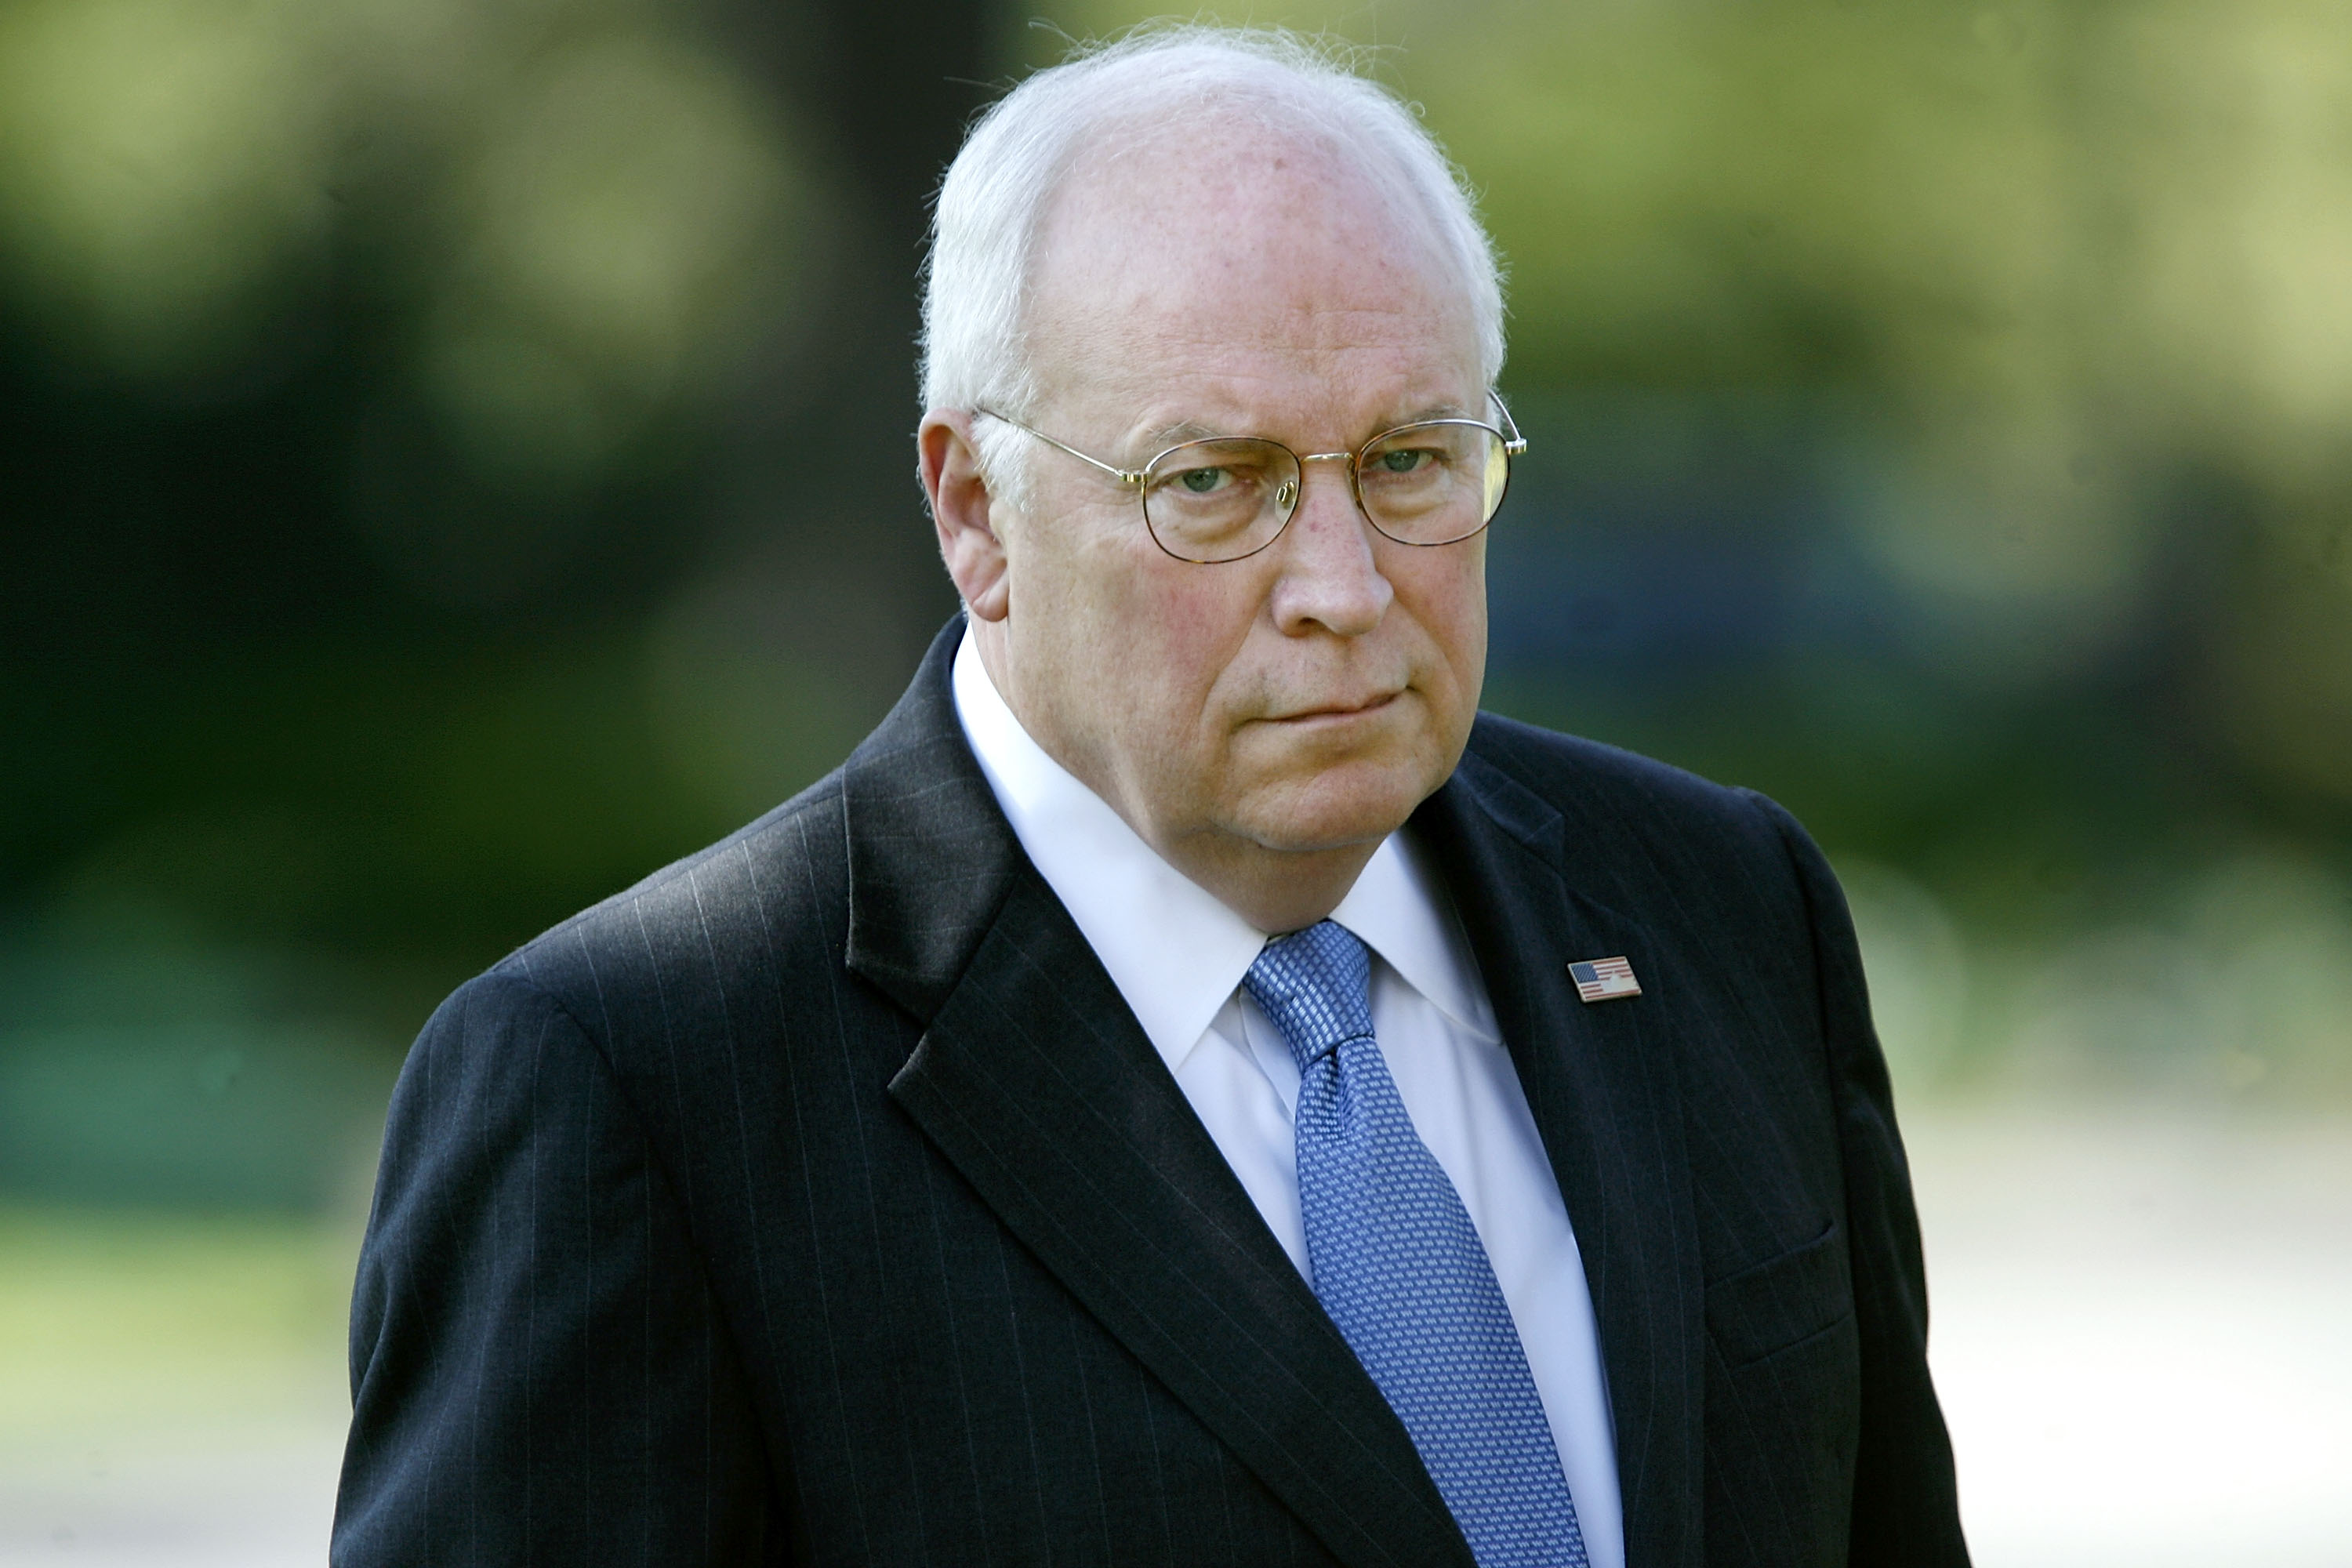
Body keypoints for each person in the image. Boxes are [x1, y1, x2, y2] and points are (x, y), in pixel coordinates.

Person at [332, 27, 1968, 1568]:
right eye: (1215, 483)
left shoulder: (1723, 911)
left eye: (1410, 458)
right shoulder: (640, 1090)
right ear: (977, 510)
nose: (1344, 584)